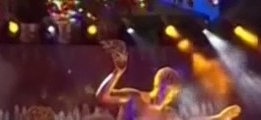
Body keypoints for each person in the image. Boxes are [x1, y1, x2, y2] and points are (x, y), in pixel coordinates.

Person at [94, 42, 240, 120]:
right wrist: (117, 72)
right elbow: (103, 96)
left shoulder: (167, 115)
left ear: (173, 95)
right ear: (156, 86)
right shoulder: (135, 98)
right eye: (162, 88)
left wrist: (219, 117)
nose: (164, 95)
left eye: (169, 92)